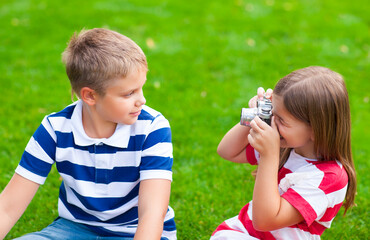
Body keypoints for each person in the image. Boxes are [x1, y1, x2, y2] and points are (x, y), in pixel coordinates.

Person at [0, 28, 176, 240]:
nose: (142, 100)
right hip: (72, 230)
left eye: (140, 88)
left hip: (135, 232)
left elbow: (151, 215)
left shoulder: (152, 128)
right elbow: (7, 207)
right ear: (90, 96)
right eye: (129, 93)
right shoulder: (55, 129)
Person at [211, 66, 357, 239]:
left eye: (281, 120)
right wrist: (255, 116)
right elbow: (227, 151)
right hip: (243, 232)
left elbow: (265, 221)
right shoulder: (285, 147)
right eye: (272, 113)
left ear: (315, 131)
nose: (272, 123)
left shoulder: (330, 177)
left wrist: (269, 156)